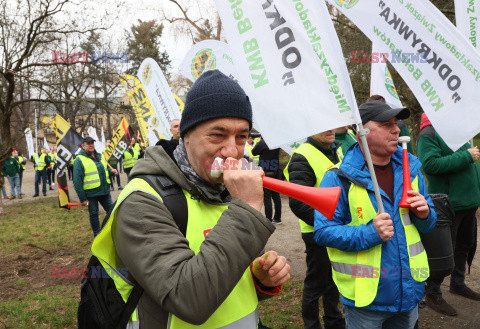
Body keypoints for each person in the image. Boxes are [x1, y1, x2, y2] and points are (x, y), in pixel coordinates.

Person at [91, 69, 291, 328]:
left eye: (242, 136)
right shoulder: (141, 202)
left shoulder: (226, 190)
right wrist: (248, 208)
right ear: (185, 136)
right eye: (217, 135)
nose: (232, 150)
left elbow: (227, 275)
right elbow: (189, 299)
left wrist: (259, 279)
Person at [314, 101, 436, 329]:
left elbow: (429, 225)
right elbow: (323, 232)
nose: (396, 129)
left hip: (409, 292)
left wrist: (425, 214)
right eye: (385, 124)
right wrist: (370, 233)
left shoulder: (412, 170)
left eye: (396, 123)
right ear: (361, 131)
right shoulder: (337, 177)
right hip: (367, 300)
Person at [416, 113, 480, 316]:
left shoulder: (455, 128)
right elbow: (430, 165)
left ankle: (457, 283)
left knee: (465, 245)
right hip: (449, 203)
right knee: (444, 251)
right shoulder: (429, 132)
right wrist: (466, 156)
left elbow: (471, 166)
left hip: (468, 203)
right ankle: (433, 293)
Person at [284, 130, 345, 329]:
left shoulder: (337, 151)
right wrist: (325, 225)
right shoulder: (302, 156)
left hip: (336, 230)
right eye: (325, 126)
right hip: (317, 232)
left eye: (333, 126)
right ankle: (311, 325)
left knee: (333, 280)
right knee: (315, 283)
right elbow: (298, 202)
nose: (331, 131)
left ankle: (333, 320)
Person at [73, 136, 117, 236]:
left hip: (104, 192)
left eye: (92, 143)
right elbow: (77, 181)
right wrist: (82, 199)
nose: (91, 145)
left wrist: (111, 172)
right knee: (94, 215)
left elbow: (102, 171)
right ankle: (97, 234)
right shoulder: (79, 160)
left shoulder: (100, 156)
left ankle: (110, 230)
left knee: (112, 211)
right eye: (88, 143)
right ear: (83, 146)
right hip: (91, 194)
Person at [252, 137, 282, 224]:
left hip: (266, 173)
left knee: (267, 197)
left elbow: (254, 153)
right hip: (275, 172)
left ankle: (268, 219)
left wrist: (258, 142)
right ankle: (277, 218)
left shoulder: (262, 143)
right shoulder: (276, 142)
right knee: (276, 196)